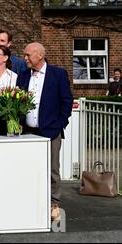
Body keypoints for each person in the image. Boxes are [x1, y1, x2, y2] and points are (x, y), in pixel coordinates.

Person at [16, 42, 73, 221]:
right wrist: (18, 122)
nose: (25, 58)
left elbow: (67, 102)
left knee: (52, 171)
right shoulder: (23, 76)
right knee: (28, 169)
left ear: (40, 55)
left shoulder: (58, 74)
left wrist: (59, 125)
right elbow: (18, 103)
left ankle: (54, 206)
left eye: (28, 55)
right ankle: (30, 203)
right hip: (27, 132)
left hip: (51, 132)